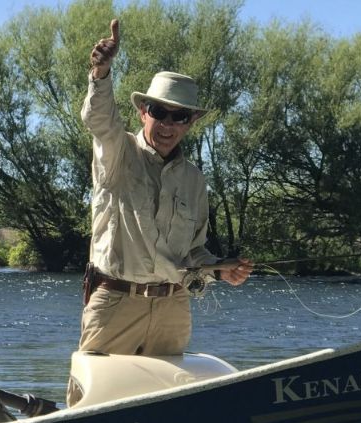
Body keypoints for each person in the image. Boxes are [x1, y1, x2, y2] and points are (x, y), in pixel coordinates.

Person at [77, 19, 255, 359]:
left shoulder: (195, 180)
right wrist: (100, 72)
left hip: (174, 308)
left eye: (180, 116)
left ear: (192, 122)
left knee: (168, 403)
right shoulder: (117, 151)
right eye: (160, 112)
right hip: (114, 304)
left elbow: (193, 254)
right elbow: (100, 119)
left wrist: (220, 269)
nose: (168, 125)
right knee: (96, 401)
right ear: (144, 111)